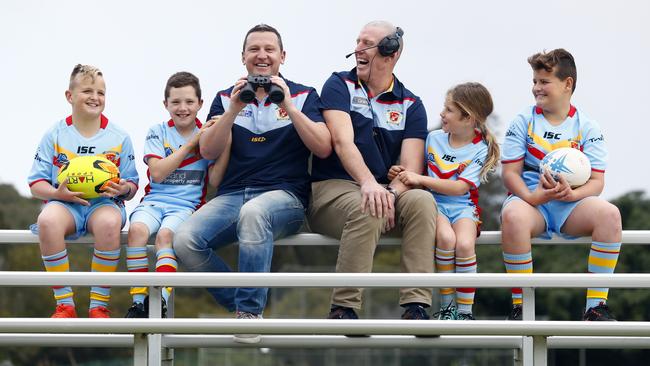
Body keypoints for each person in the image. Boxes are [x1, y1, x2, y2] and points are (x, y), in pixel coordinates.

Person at [173, 24, 332, 343]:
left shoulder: (303, 95)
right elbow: (208, 151)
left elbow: (323, 146)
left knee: (255, 213)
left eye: (269, 49)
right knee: (185, 241)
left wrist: (285, 104)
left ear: (282, 56)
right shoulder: (224, 98)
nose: (262, 56)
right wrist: (233, 109)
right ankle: (243, 304)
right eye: (254, 49)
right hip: (233, 195)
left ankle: (249, 314)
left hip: (285, 197)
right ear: (243, 56)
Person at [308, 21, 437, 321]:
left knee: (422, 201)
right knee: (370, 205)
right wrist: (369, 184)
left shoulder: (412, 104)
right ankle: (344, 308)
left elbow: (411, 168)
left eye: (366, 43)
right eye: (357, 41)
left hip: (385, 193)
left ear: (390, 54)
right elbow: (342, 142)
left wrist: (390, 192)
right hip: (334, 188)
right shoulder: (339, 84)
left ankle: (416, 305)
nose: (357, 49)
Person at [500, 48, 622, 321]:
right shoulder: (523, 120)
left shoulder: (588, 126)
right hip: (531, 200)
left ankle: (595, 307)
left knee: (610, 215)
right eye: (534, 81)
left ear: (567, 84)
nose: (536, 88)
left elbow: (597, 182)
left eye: (544, 82)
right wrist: (533, 197)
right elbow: (509, 174)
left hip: (570, 205)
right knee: (512, 216)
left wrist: (572, 194)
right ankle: (522, 307)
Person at [28, 64, 139, 318]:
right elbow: (36, 184)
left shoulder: (119, 136)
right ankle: (64, 304)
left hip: (103, 203)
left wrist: (123, 188)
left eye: (101, 92)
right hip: (64, 203)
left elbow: (132, 184)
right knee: (46, 221)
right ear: (70, 96)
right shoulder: (55, 134)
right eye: (87, 90)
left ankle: (98, 305)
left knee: (111, 223)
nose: (95, 97)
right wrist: (58, 194)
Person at [388, 82, 500, 321]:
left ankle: (465, 312)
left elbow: (460, 188)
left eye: (448, 110)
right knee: (446, 239)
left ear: (467, 118)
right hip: (433, 205)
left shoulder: (481, 148)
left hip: (463, 207)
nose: (442, 114)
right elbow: (416, 173)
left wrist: (419, 178)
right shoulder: (434, 138)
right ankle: (447, 308)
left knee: (465, 245)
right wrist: (400, 173)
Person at [124, 72, 229, 318]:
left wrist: (227, 141)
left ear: (200, 104)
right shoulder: (158, 132)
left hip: (187, 206)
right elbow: (158, 173)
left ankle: (159, 301)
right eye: (176, 102)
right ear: (166, 105)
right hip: (154, 201)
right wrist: (192, 144)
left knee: (165, 236)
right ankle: (139, 302)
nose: (183, 108)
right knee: (137, 231)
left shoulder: (209, 134)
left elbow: (214, 179)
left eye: (190, 102)